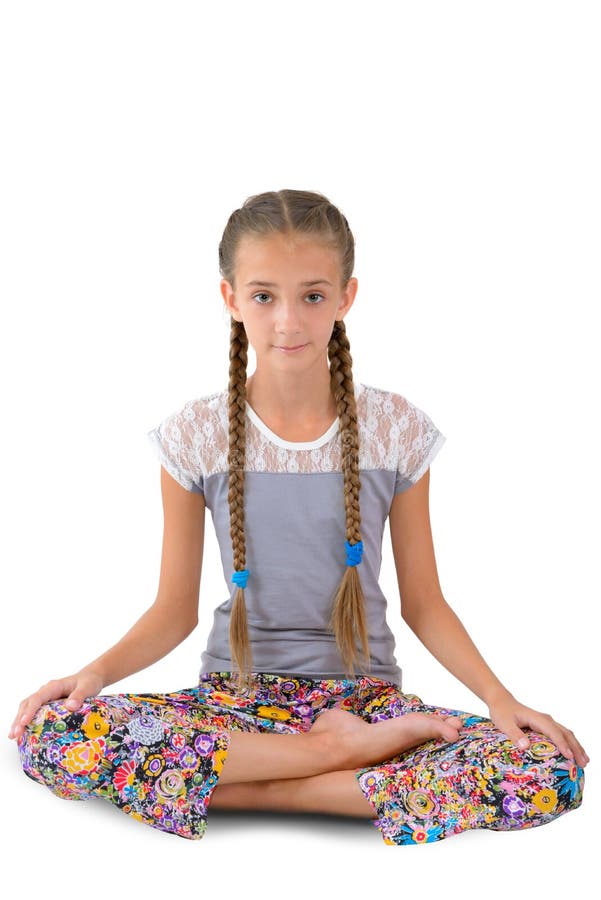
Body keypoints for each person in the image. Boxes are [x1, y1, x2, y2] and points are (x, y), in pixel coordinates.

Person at [9, 189, 589, 846]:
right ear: (230, 298)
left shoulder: (395, 430)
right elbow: (172, 610)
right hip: (230, 701)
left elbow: (424, 603)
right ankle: (330, 763)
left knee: (546, 770)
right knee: (52, 734)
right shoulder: (194, 436)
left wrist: (498, 698)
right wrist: (94, 676)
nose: (287, 320)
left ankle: (230, 787)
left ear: (345, 297)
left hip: (363, 701)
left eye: (312, 296)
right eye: (263, 296)